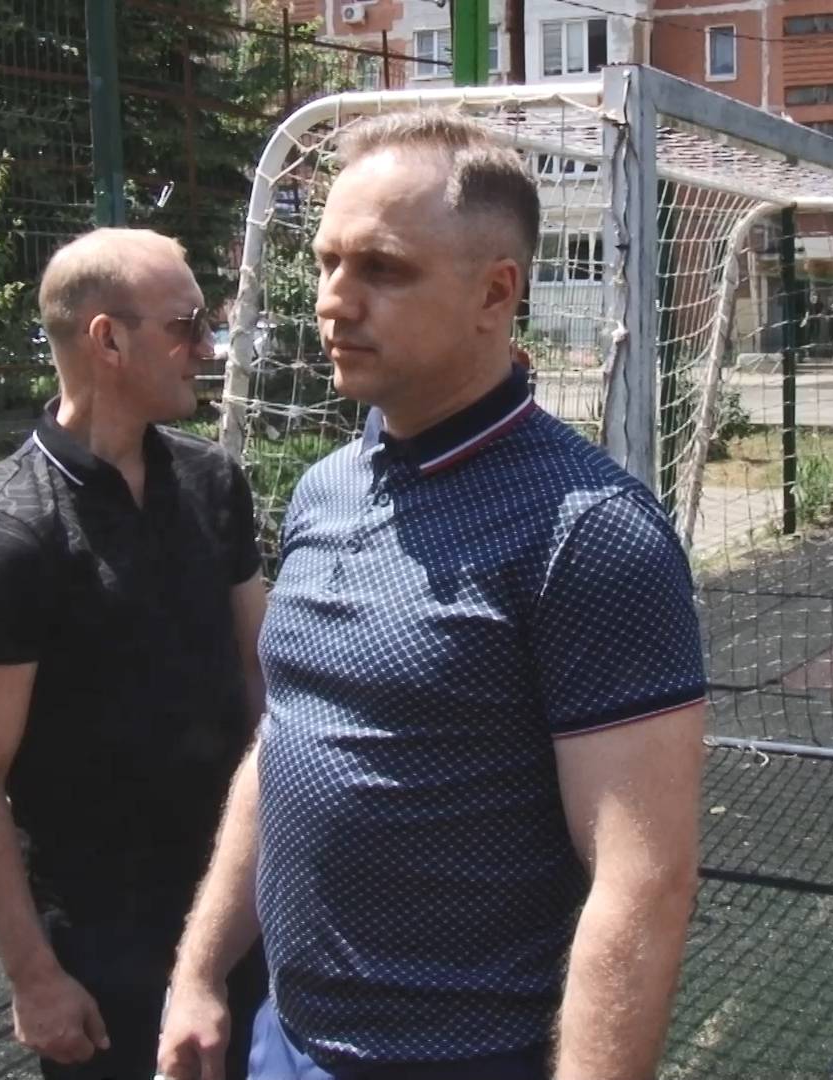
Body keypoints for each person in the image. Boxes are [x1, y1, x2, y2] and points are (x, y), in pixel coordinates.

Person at [156, 112, 708, 1080]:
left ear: (496, 292)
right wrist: (201, 971)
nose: (335, 300)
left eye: (382, 268)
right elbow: (284, 742)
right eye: (328, 262)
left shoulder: (588, 532)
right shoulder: (326, 489)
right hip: (286, 1043)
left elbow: (643, 883)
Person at [0, 227, 269, 1080]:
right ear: (107, 341)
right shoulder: (14, 535)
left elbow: (261, 678)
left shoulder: (212, 483)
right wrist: (34, 977)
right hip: (107, 948)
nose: (207, 348)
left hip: (240, 905)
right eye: (186, 326)